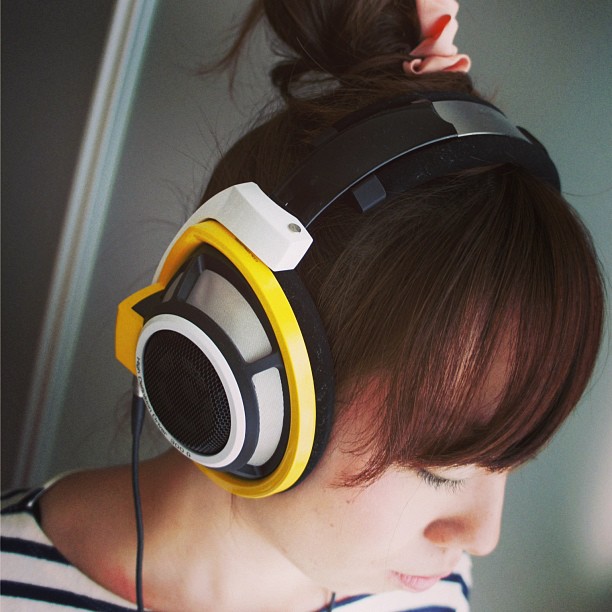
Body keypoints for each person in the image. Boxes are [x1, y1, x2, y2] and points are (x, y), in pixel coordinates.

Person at [1, 1, 605, 610]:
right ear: (242, 366)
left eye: (508, 463)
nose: (483, 537)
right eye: (441, 472)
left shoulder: (431, 596)